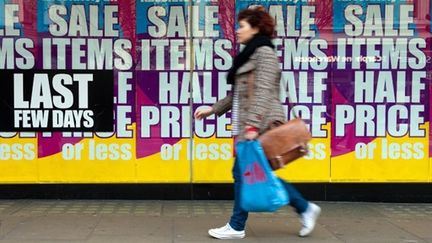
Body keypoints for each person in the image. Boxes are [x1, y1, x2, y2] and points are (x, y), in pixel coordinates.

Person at [194, 6, 321, 240]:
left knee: (246, 172)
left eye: (242, 26)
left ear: (255, 28)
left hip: (261, 124)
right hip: (252, 124)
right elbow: (239, 95)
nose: (238, 30)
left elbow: (262, 93)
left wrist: (252, 126)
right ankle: (303, 208)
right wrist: (212, 109)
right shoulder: (251, 54)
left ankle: (237, 225)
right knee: (252, 173)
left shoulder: (265, 54)